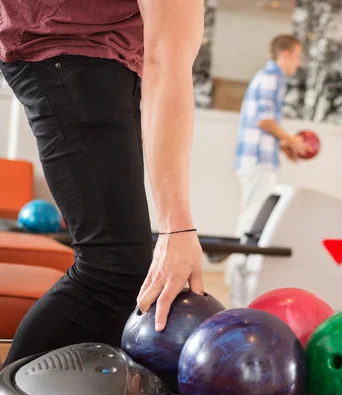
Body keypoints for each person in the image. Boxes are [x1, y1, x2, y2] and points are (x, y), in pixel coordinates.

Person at [0, 0, 206, 367]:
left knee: (124, 270)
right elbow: (167, 61)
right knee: (112, 271)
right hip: (70, 50)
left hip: (103, 55)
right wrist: (176, 227)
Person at [225, 34, 309, 307]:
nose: (298, 63)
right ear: (284, 54)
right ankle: (239, 291)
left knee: (251, 219)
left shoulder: (267, 77)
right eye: (297, 56)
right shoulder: (272, 77)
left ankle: (238, 285)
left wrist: (284, 146)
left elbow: (264, 123)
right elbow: (265, 120)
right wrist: (292, 140)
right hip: (257, 161)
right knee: (251, 223)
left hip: (258, 158)